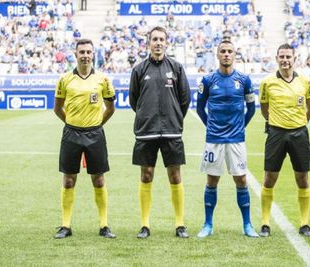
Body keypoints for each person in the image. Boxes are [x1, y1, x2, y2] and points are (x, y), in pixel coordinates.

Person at [129, 26, 191, 239]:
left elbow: (185, 100)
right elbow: (133, 101)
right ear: (148, 43)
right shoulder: (138, 69)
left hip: (172, 131)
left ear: (166, 42)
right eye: (154, 39)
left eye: (161, 39)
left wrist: (174, 117)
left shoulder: (176, 68)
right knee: (146, 175)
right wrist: (147, 116)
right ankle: (145, 225)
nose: (158, 43)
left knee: (175, 176)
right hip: (146, 131)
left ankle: (180, 224)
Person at [53, 39, 116, 239]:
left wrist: (97, 124)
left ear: (93, 53)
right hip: (71, 133)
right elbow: (57, 108)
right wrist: (71, 123)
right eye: (82, 52)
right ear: (76, 54)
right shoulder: (64, 79)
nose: (85, 55)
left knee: (98, 179)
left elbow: (111, 108)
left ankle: (104, 225)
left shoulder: (103, 79)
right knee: (69, 180)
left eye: (89, 51)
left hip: (95, 134)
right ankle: (65, 225)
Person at [196, 40, 258, 238]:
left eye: (230, 51)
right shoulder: (207, 80)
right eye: (223, 51)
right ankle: (208, 224)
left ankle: (247, 224)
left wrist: (241, 127)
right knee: (212, 180)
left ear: (235, 54)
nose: (226, 54)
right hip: (214, 138)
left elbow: (251, 109)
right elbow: (199, 108)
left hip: (236, 139)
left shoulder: (244, 80)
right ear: (217, 54)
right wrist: (211, 126)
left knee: (241, 179)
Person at [259, 43, 310, 237]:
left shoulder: (306, 82)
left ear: (295, 59)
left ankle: (304, 223)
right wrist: (277, 122)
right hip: (276, 134)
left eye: (288, 57)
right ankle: (265, 223)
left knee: (302, 178)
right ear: (277, 59)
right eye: (281, 57)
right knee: (269, 178)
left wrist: (298, 123)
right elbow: (264, 109)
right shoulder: (267, 82)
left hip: (299, 134)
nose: (285, 60)